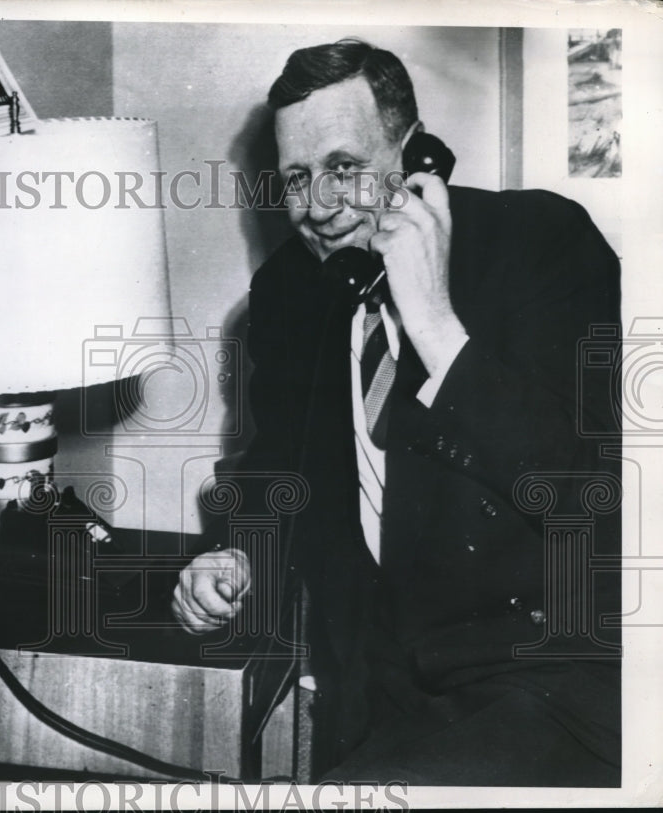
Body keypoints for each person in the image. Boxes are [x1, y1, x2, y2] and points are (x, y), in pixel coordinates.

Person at [171, 38, 621, 786]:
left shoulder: (541, 242)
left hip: (549, 685)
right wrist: (236, 552)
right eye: (297, 178)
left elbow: (589, 492)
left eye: (344, 168)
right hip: (381, 698)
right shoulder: (291, 291)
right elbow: (274, 467)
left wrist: (437, 325)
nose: (317, 207)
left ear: (415, 155)